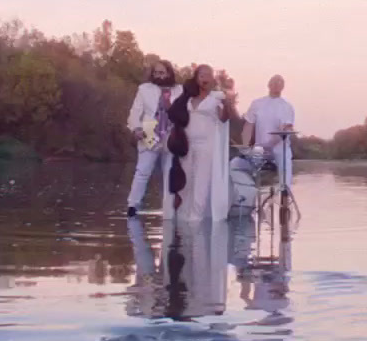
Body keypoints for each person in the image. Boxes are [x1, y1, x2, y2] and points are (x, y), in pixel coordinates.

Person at [165, 64, 237, 220]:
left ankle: (196, 219)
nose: (205, 78)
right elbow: (173, 113)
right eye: (202, 75)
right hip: (186, 145)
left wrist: (228, 105)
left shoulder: (216, 99)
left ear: (212, 80)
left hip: (206, 145)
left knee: (201, 184)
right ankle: (182, 220)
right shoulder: (186, 98)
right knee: (185, 184)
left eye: (208, 75)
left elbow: (224, 118)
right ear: (196, 78)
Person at [124, 59, 181, 217]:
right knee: (142, 171)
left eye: (162, 72)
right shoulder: (144, 89)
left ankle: (169, 208)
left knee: (169, 172)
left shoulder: (179, 90)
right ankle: (132, 205)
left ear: (169, 73)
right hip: (149, 131)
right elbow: (135, 112)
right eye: (155, 72)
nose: (158, 76)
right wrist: (136, 128)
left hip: (172, 134)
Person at [243, 74, 296, 189]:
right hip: (259, 148)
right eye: (274, 82)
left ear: (283, 87)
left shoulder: (287, 106)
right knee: (238, 165)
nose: (277, 84)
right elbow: (248, 126)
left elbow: (286, 129)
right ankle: (248, 198)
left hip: (280, 147)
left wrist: (270, 145)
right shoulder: (257, 103)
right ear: (268, 85)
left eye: (280, 82)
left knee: (285, 162)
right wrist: (245, 147)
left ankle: (285, 198)